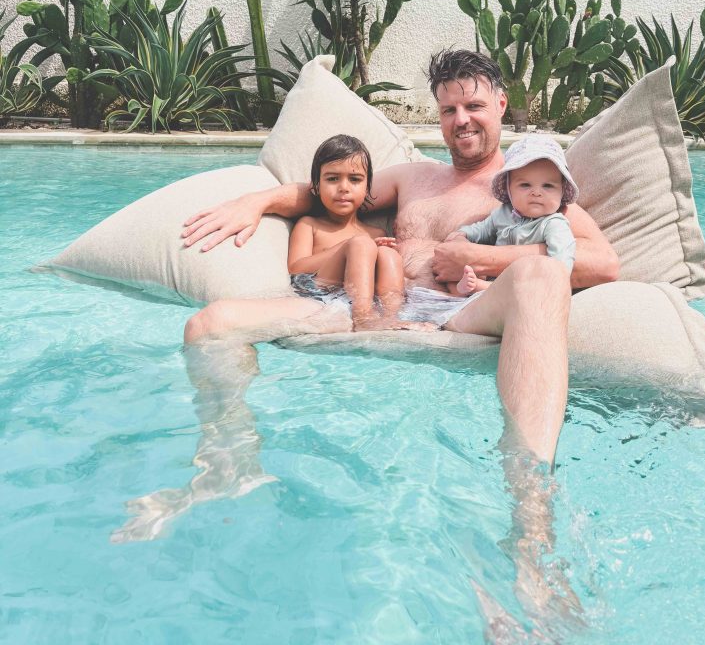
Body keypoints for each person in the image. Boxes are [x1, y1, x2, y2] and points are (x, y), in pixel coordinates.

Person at [181, 49, 620, 469]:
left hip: (460, 311)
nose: (461, 120)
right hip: (371, 304)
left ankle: (530, 491)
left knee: (540, 274)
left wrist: (481, 257)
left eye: (474, 106)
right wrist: (258, 201)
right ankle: (227, 458)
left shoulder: (527, 186)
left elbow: (602, 262)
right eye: (449, 110)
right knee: (211, 324)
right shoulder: (415, 177)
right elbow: (333, 189)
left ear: (501, 105)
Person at [288, 133, 429, 333]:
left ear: (366, 187)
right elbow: (296, 268)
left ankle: (391, 316)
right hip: (319, 291)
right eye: (332, 179)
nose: (343, 188)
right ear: (317, 185)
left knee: (388, 254)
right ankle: (363, 317)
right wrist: (345, 246)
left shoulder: (375, 232)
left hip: (357, 295)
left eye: (354, 179)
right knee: (361, 244)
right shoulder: (309, 224)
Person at [448, 135, 578, 298]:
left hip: (529, 288)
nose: (536, 192)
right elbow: (482, 229)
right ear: (509, 189)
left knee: (522, 288)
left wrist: (556, 284)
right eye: (525, 185)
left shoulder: (553, 224)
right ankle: (478, 289)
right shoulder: (503, 214)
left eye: (548, 186)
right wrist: (463, 234)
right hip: (497, 281)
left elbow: (562, 258)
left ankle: (480, 288)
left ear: (562, 190)